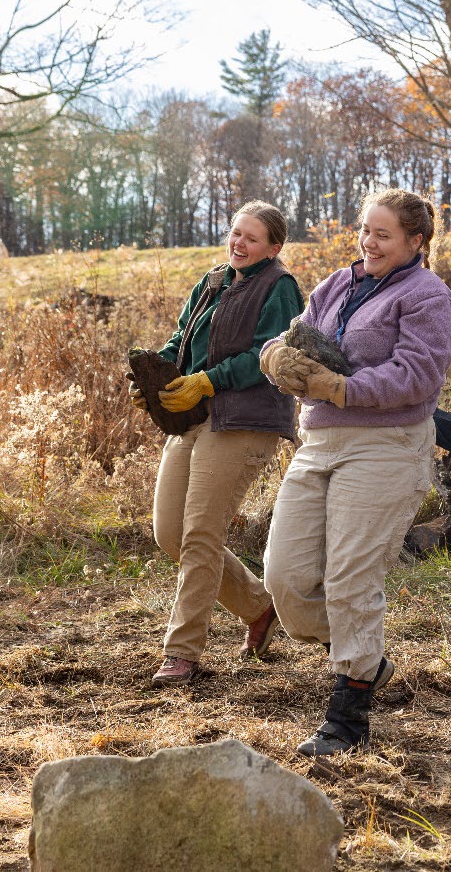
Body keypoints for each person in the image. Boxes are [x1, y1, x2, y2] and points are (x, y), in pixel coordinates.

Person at [259, 188, 451, 756]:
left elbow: (418, 375)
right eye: (365, 231)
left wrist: (344, 388)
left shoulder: (429, 297)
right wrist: (274, 356)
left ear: (415, 241)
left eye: (383, 235)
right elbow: (297, 333)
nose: (368, 243)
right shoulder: (337, 283)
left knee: (352, 577)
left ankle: (347, 716)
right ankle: (366, 657)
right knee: (285, 577)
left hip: (387, 445)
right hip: (319, 441)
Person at [129, 201, 304, 686]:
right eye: (235, 233)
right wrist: (153, 376)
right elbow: (179, 341)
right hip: (193, 419)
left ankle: (182, 653)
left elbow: (269, 355)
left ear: (273, 247)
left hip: (244, 421)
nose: (239, 244)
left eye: (251, 238)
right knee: (170, 534)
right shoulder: (211, 282)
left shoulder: (280, 287)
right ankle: (258, 607)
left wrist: (210, 379)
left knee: (201, 534)